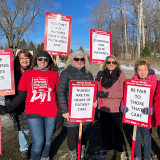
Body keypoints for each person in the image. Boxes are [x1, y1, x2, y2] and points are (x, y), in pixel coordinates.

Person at [0, 50, 59, 160]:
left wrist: (62, 113)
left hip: (51, 112)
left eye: (46, 59)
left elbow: (59, 94)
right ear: (36, 60)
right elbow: (21, 95)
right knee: (38, 142)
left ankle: (45, 156)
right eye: (40, 59)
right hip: (33, 112)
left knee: (48, 139)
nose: (43, 61)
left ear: (49, 61)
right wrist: (9, 107)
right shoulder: (27, 74)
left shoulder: (54, 74)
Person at [57, 50, 96, 160]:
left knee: (83, 132)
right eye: (76, 59)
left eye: (82, 59)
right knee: (72, 133)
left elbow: (93, 91)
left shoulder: (88, 72)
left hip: (84, 110)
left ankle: (81, 152)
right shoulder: (66, 72)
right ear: (72, 59)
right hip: (71, 110)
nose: (79, 61)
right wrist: (64, 110)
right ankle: (73, 154)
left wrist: (95, 100)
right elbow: (60, 92)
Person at [122, 60, 157, 160]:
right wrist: (123, 106)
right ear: (136, 71)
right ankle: (137, 155)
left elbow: (157, 98)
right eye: (140, 70)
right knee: (135, 136)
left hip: (146, 117)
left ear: (148, 70)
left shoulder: (154, 82)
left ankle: (146, 157)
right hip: (135, 116)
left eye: (145, 69)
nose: (143, 72)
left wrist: (152, 109)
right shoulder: (132, 81)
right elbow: (127, 96)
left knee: (146, 138)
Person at [95, 55, 126, 160]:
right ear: (106, 63)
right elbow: (98, 91)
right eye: (109, 62)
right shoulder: (102, 74)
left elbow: (121, 93)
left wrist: (106, 94)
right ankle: (109, 149)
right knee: (106, 131)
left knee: (118, 130)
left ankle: (119, 150)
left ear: (116, 63)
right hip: (104, 107)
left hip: (116, 108)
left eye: (113, 62)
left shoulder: (121, 75)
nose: (111, 64)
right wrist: (97, 79)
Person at [5, 49, 33, 160]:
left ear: (30, 59)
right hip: (19, 105)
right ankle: (24, 150)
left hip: (34, 104)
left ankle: (38, 146)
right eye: (22, 58)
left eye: (27, 58)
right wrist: (9, 106)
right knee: (23, 129)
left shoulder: (34, 71)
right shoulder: (12, 72)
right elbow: (8, 90)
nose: (24, 60)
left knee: (36, 129)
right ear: (18, 59)